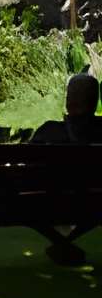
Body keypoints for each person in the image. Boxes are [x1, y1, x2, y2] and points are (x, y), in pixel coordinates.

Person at [32, 70, 99, 262]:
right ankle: (64, 243)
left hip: (47, 204)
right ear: (95, 101)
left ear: (68, 101)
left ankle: (61, 243)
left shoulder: (47, 132)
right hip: (94, 204)